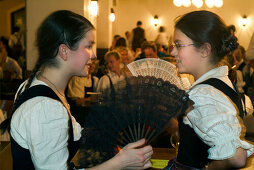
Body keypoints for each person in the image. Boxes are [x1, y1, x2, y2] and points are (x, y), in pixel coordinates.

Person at [0, 10, 152, 170]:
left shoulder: (37, 85)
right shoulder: (45, 108)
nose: (93, 55)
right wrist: (120, 162)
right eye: (88, 46)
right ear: (64, 51)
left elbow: (64, 133)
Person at [164, 10, 254, 169]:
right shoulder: (221, 82)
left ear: (205, 50)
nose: (172, 52)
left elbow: (236, 157)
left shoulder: (203, 94)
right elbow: (199, 135)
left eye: (178, 45)